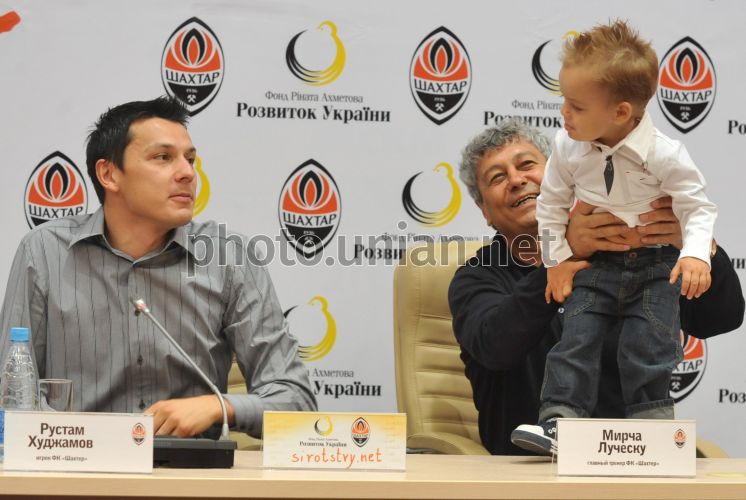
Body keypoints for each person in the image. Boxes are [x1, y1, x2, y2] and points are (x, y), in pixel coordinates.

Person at [0, 96, 316, 439]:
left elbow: (297, 401)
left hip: (190, 467)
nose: (188, 173)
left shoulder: (229, 256)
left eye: (190, 159)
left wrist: (218, 406)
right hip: (78, 462)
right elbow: (11, 396)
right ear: (109, 174)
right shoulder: (44, 251)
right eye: (163, 157)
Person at [449, 117, 743, 456]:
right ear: (484, 210)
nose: (516, 180)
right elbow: (497, 347)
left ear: (564, 175)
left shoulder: (632, 252)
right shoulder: (477, 276)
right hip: (529, 467)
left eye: (526, 164)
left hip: (628, 459)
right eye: (497, 178)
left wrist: (696, 244)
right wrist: (563, 255)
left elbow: (721, 318)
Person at [509, 20, 717, 455]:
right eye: (563, 101)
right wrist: (557, 261)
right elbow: (551, 205)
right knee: (575, 342)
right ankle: (559, 423)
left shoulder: (666, 154)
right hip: (595, 268)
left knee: (649, 347)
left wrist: (697, 253)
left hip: (656, 268)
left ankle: (653, 433)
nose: (563, 113)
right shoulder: (566, 147)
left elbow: (698, 208)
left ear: (621, 113)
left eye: (576, 106)